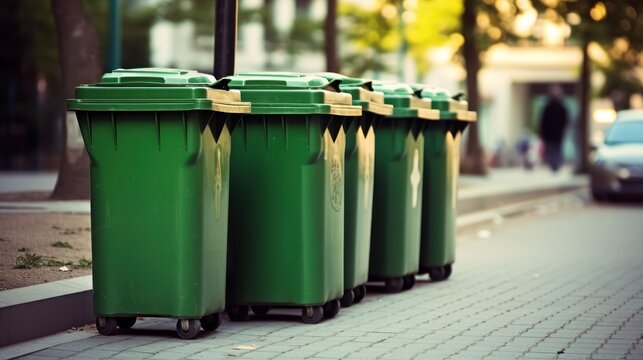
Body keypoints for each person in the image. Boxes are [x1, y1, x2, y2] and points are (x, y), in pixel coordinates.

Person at [539, 85, 569, 172]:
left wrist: (564, 131)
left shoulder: (560, 107)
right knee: (551, 148)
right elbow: (543, 121)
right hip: (550, 134)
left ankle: (555, 164)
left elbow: (565, 121)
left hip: (557, 133)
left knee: (556, 148)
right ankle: (553, 164)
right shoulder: (548, 107)